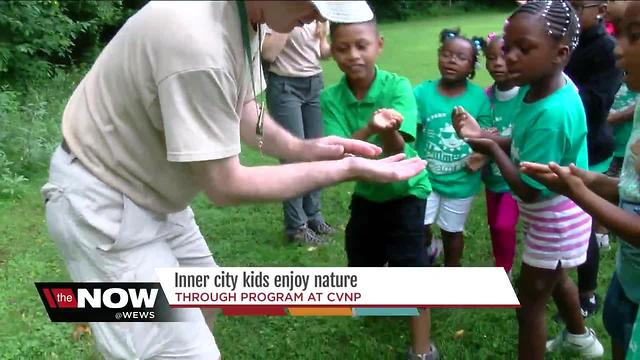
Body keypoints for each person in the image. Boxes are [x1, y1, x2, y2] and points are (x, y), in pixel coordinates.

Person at [40, 1, 429, 359]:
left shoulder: (248, 17)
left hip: (154, 195)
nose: (318, 18)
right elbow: (226, 186)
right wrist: (346, 168)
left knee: (206, 298)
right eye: (314, 3)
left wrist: (303, 148)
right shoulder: (197, 42)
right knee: (175, 352)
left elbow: (241, 107)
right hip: (103, 205)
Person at [452, 1, 604, 358]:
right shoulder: (539, 88)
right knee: (556, 277)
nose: (510, 57)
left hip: (555, 217)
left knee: (530, 303)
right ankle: (580, 339)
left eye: (525, 48)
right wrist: (486, 140)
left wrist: (490, 148)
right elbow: (521, 142)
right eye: (508, 46)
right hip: (555, 213)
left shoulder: (552, 112)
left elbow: (528, 189)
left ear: (560, 53)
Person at [520, 3, 640, 358]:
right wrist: (585, 178)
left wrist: (577, 191)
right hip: (627, 277)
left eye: (633, 37)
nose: (618, 47)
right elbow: (630, 191)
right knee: (620, 334)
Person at [321, 20, 436, 360]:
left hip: (407, 189)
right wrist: (371, 125)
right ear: (331, 50)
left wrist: (387, 131)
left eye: (362, 45)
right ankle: (382, 300)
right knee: (361, 258)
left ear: (379, 45)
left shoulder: (398, 87)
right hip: (369, 192)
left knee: (409, 266)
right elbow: (341, 152)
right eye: (342, 48)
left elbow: (397, 148)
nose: (353, 55)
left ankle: (422, 350)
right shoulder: (330, 98)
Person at [414, 28, 492, 267]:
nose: (452, 61)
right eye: (447, 54)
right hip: (426, 178)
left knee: (452, 230)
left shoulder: (479, 98)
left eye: (461, 58)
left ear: (472, 68)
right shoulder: (422, 93)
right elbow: (410, 133)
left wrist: (481, 156)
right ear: (439, 56)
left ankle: (452, 270)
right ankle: (427, 250)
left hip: (462, 181)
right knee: (420, 226)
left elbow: (488, 137)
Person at [565, 0, 623, 318]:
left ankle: (586, 294)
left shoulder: (605, 49)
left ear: (599, 10)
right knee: (555, 216)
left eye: (575, 6)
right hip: (559, 144)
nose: (567, 13)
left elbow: (596, 106)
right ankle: (552, 275)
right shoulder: (562, 39)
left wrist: (552, 83)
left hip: (591, 149)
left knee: (583, 223)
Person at [262, 19, 335, 245]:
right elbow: (268, 54)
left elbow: (322, 51)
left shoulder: (319, 13)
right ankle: (296, 227)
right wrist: (290, 20)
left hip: (314, 84)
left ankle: (313, 216)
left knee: (318, 154)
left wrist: (342, 45)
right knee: (293, 157)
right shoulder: (276, 12)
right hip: (285, 86)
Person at [481, 33, 522, 276]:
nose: (497, 63)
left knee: (504, 224)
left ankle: (503, 271)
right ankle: (500, 263)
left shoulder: (527, 96)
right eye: (491, 58)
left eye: (503, 57)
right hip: (491, 177)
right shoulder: (484, 97)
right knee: (494, 226)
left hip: (515, 179)